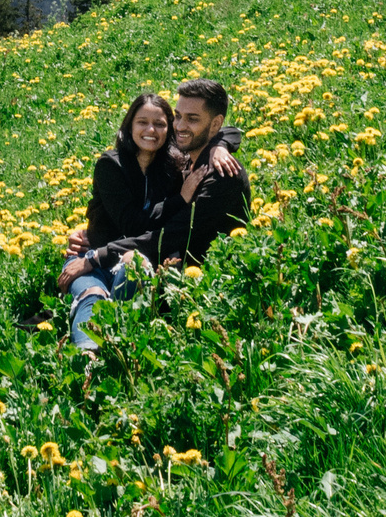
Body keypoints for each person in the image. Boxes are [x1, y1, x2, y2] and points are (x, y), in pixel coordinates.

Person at [59, 78, 251, 350]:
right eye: (179, 117)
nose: (181, 126)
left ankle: (117, 348)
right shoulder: (115, 165)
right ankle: (89, 357)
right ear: (129, 125)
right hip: (102, 257)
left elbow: (167, 236)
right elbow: (134, 223)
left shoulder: (194, 169)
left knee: (133, 265)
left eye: (190, 119)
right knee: (94, 293)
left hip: (141, 261)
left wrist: (222, 144)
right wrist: (92, 248)